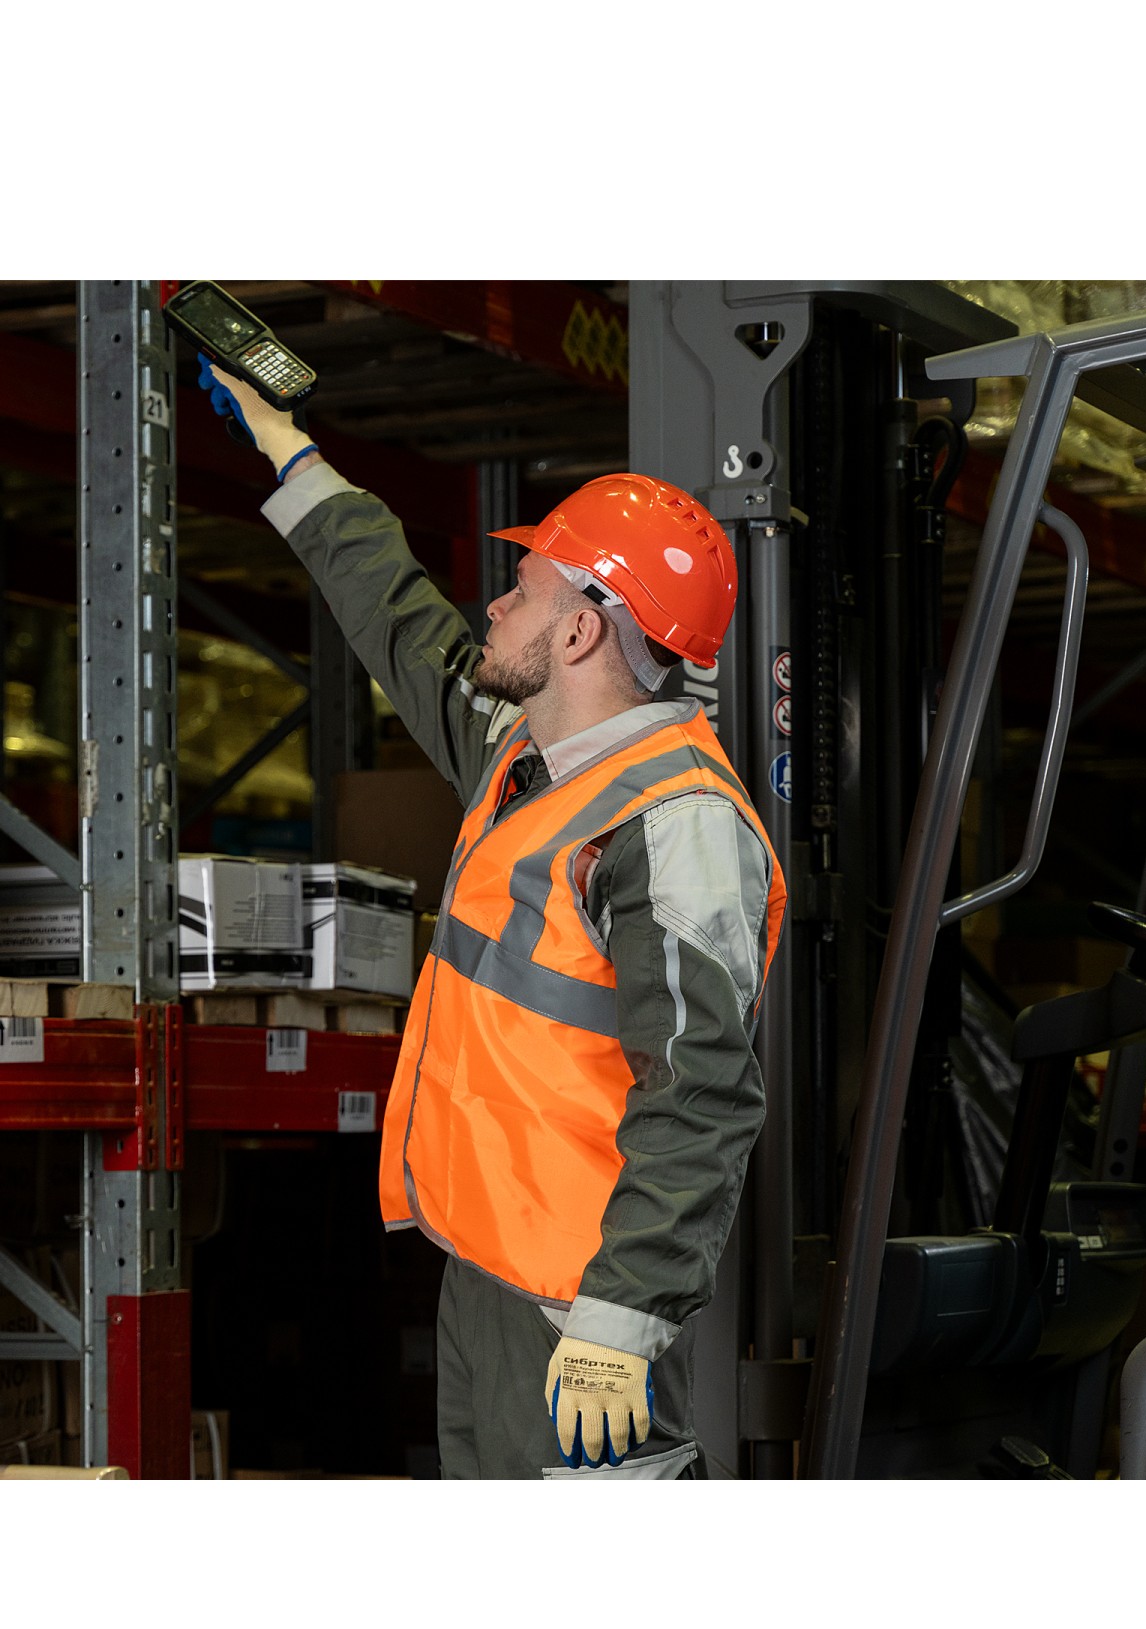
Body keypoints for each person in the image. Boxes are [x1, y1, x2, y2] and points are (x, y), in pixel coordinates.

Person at [202, 358, 787, 1480]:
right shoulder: (528, 760)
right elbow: (400, 620)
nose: (496, 604)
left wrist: (625, 1315)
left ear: (580, 636)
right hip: (487, 1269)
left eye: (524, 587)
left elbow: (703, 1092)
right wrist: (285, 446)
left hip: (575, 1303)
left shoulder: (675, 825)